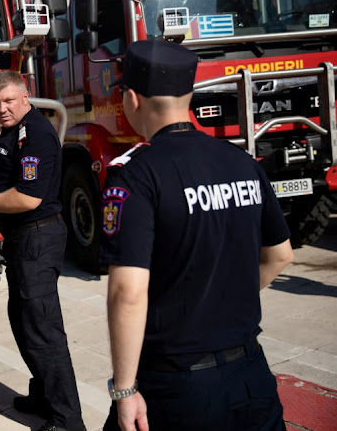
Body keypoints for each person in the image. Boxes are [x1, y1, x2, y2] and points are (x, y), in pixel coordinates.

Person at [99, 40, 294, 431]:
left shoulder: (137, 175)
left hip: (178, 387)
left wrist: (124, 391)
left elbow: (128, 293)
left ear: (132, 99)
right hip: (251, 374)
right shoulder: (241, 162)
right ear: (187, 95)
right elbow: (280, 255)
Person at [0, 70, 85, 431]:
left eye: (8, 101)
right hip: (22, 241)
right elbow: (8, 125)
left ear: (26, 98)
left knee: (44, 332)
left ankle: (67, 420)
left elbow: (27, 197)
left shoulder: (38, 137)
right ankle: (43, 395)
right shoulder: (17, 126)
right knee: (24, 323)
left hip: (37, 239)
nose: (1, 109)